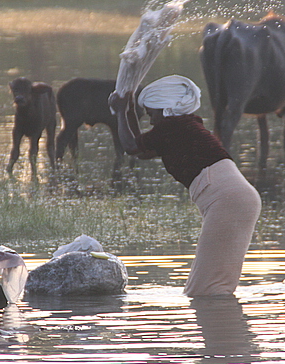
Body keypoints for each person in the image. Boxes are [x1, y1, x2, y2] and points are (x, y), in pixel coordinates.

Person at [109, 75, 261, 297]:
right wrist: (129, 109)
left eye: (152, 114)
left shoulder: (174, 126)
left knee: (206, 290)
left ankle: (223, 327)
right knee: (211, 285)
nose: (151, 122)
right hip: (234, 199)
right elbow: (142, 151)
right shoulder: (181, 127)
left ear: (166, 109)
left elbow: (131, 146)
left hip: (228, 201)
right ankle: (225, 328)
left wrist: (121, 112)